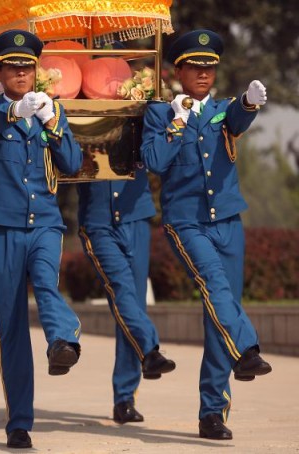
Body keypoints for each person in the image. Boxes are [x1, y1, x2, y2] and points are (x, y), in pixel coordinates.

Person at [141, 29, 272, 440]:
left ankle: (212, 412)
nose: (203, 74)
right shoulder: (161, 113)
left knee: (221, 312)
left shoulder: (222, 109)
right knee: (215, 287)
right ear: (176, 70)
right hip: (187, 222)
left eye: (209, 67)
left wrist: (249, 102)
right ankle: (248, 349)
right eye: (195, 67)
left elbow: (237, 118)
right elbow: (154, 161)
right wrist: (177, 123)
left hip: (228, 222)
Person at [0, 30, 83, 449]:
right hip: (3, 226)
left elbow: (71, 162)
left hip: (45, 224)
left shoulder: (53, 110)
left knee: (47, 285)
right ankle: (19, 421)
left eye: (28, 66)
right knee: (11, 323)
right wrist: (16, 110)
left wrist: (53, 123)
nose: (22, 72)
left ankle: (63, 341)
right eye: (13, 66)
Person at [77, 170, 176, 424]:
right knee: (122, 293)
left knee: (134, 304)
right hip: (98, 217)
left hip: (135, 214)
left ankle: (125, 398)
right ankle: (149, 352)